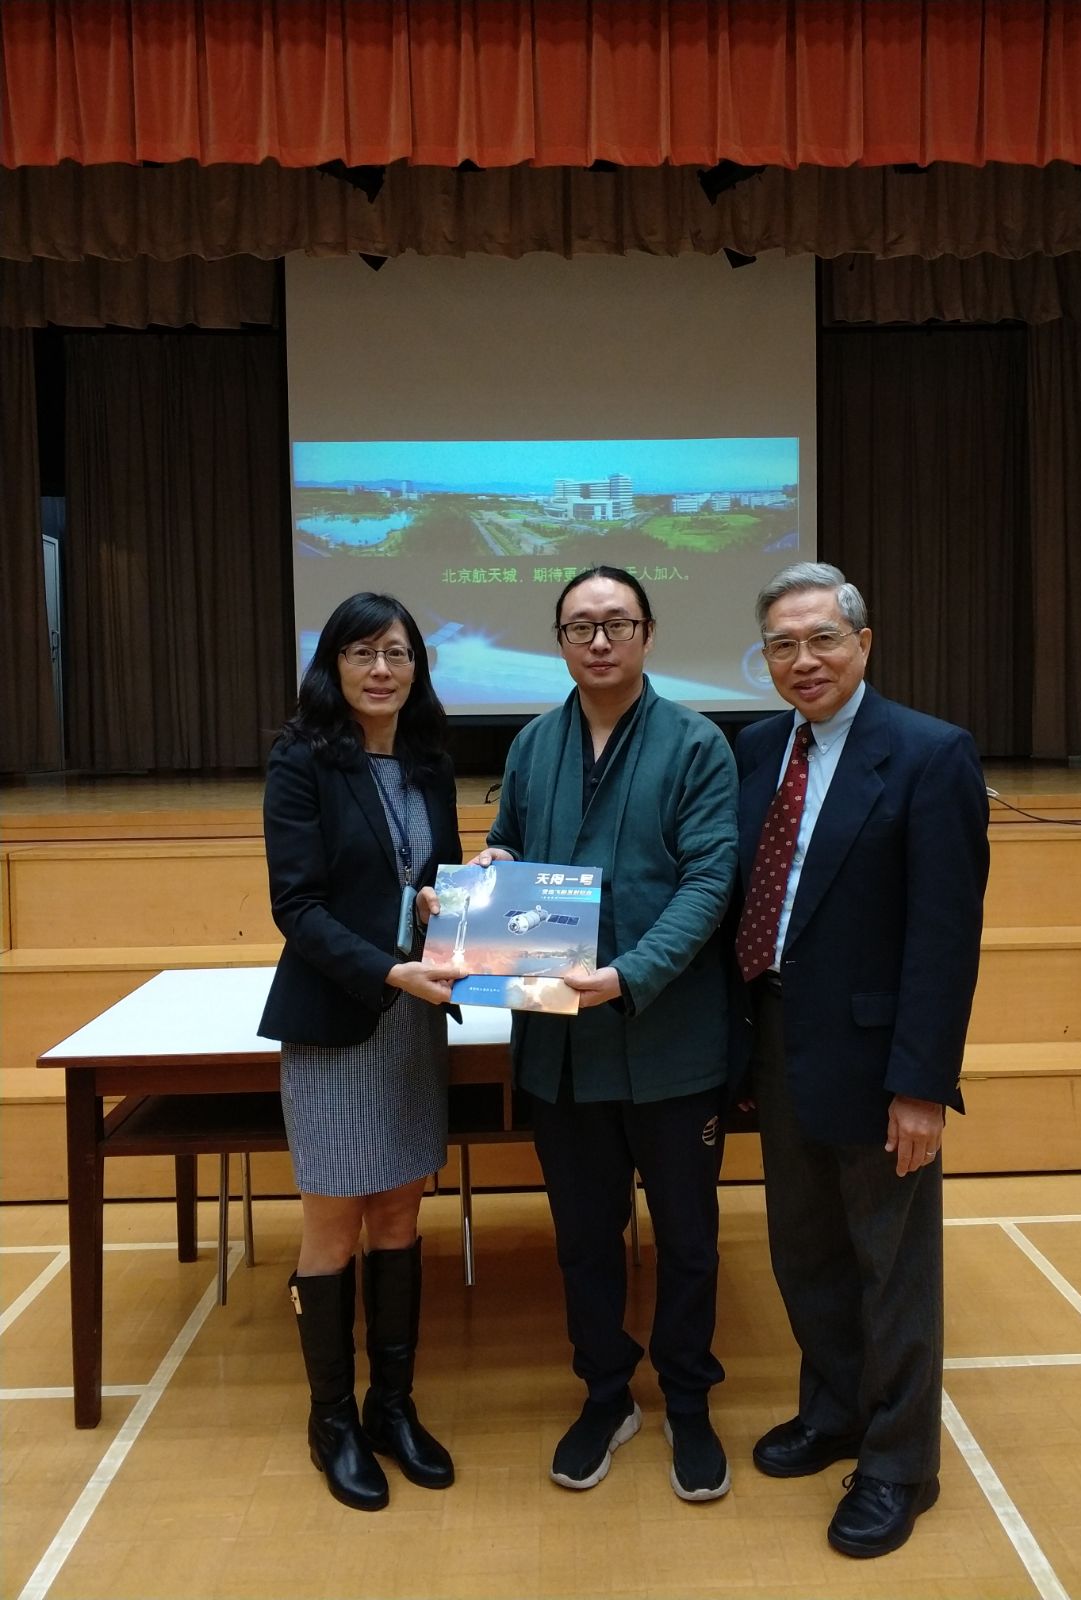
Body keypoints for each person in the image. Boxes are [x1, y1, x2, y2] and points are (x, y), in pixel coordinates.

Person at [733, 562, 989, 1558]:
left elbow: (943, 938)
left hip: (881, 1061)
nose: (802, 661)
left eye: (822, 639)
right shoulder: (759, 749)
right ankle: (834, 1409)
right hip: (776, 1040)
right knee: (803, 1249)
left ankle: (898, 1465)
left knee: (891, 1266)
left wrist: (920, 1086)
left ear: (863, 643)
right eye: (782, 645)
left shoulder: (929, 753)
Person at [476, 565, 738, 1502]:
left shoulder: (697, 743)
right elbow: (510, 840)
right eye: (579, 626)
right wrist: (494, 866)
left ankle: (689, 1401)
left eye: (616, 623)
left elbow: (711, 882)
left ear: (648, 634)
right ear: (559, 641)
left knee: (688, 1239)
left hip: (671, 1041)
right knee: (584, 1238)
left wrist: (630, 975)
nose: (598, 641)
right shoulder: (532, 744)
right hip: (562, 1047)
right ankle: (604, 1393)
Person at [259, 592, 462, 1513]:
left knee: (399, 1219)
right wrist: (388, 968)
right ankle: (332, 1420)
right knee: (333, 1227)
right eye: (362, 653)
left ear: (417, 666)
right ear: (333, 665)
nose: (382, 670)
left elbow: (432, 881)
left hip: (412, 1023)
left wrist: (454, 897)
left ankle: (394, 1406)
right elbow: (297, 909)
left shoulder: (427, 762)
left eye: (398, 653)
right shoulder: (302, 759)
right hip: (342, 1020)